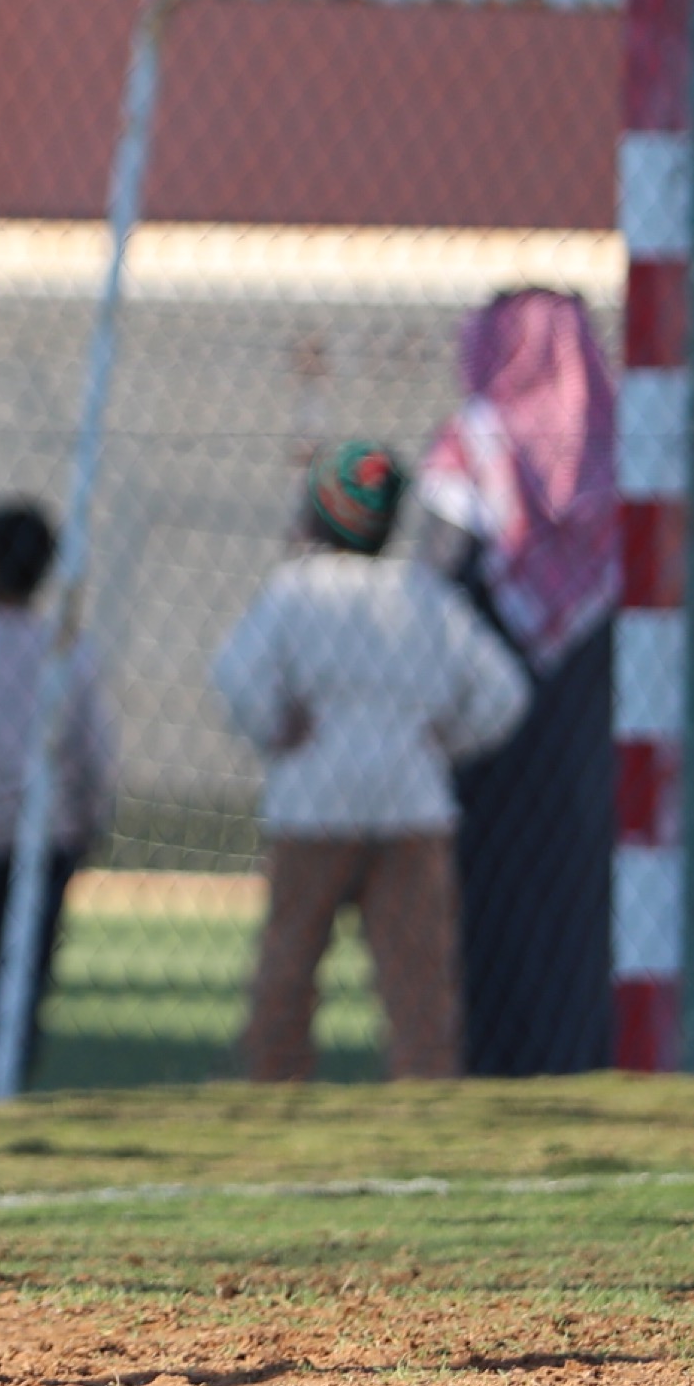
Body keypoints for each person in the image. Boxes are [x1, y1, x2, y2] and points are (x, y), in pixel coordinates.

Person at [212, 440, 531, 1086]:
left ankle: (275, 1084)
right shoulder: (424, 594)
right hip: (412, 804)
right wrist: (446, 738)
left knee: (291, 961)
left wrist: (275, 729)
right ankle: (426, 1088)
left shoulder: (295, 591)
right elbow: (504, 692)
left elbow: (235, 676)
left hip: (312, 806)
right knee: (418, 977)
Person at [414, 288, 625, 1078]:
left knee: (493, 894)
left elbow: (434, 580)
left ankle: (495, 1055)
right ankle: (580, 1052)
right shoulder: (630, 448)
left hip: (488, 735)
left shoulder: (472, 445)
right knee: (584, 896)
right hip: (594, 726)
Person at [0, 498, 115, 1092]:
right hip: (46, 833)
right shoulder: (64, 648)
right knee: (27, 964)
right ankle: (10, 1068)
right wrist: (91, 816)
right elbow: (92, 744)